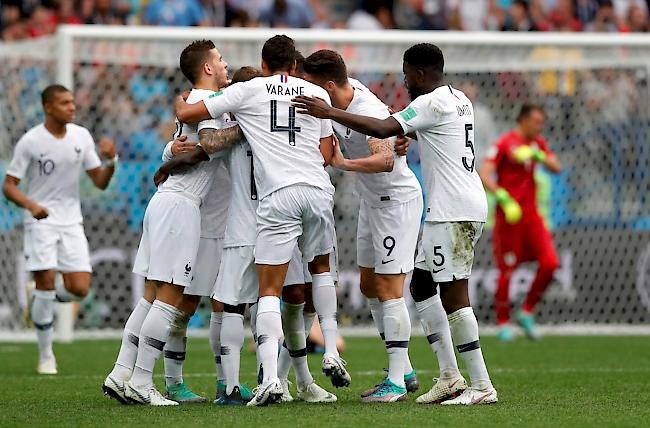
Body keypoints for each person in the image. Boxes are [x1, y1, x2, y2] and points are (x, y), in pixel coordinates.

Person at [292, 42, 498, 405]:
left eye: (406, 75)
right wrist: (406, 133)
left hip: (449, 208)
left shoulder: (428, 102)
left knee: (452, 295)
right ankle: (448, 376)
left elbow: (384, 127)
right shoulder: (456, 98)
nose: (404, 82)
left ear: (419, 74)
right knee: (419, 286)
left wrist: (331, 114)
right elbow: (424, 130)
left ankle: (480, 385)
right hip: (448, 205)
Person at [174, 35, 339, 406]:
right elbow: (325, 151)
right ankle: (289, 374)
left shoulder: (241, 112)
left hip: (254, 219)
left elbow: (202, 136)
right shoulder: (299, 102)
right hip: (299, 208)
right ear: (293, 66)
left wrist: (180, 119)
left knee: (232, 303)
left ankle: (233, 385)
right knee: (298, 293)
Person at [102, 40, 231, 406]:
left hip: (164, 203)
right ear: (207, 68)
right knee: (170, 298)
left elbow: (179, 141)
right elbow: (210, 143)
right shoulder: (209, 108)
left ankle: (121, 371)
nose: (225, 65)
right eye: (220, 60)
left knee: (150, 296)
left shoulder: (190, 101)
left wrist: (167, 152)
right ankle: (142, 382)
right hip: (181, 206)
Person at [301, 49, 422, 403]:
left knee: (388, 288)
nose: (306, 90)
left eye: (310, 84)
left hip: (395, 203)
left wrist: (343, 164)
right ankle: (406, 369)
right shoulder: (341, 94)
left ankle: (397, 381)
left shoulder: (362, 107)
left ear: (327, 85)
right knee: (370, 286)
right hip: (373, 204)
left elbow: (386, 160)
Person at [3, 84, 117, 375]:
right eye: (65, 103)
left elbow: (100, 181)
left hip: (71, 221)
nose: (72, 107)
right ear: (48, 107)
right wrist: (31, 206)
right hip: (40, 221)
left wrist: (111, 161)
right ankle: (46, 355)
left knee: (79, 289)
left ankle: (39, 298)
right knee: (46, 280)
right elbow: (9, 185)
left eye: (72, 102)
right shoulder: (31, 141)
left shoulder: (81, 136)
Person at [479, 103, 561, 342]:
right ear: (523, 120)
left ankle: (526, 311)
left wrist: (538, 155)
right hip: (509, 216)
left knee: (550, 263)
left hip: (532, 216)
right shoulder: (504, 143)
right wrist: (502, 195)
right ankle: (503, 323)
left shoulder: (538, 144)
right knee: (507, 270)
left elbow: (557, 167)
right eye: (536, 122)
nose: (540, 126)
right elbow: (484, 173)